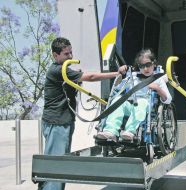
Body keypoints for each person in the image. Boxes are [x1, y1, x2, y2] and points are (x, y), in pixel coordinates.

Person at [39, 37, 127, 190]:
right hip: (56, 123)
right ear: (55, 55)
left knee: (61, 165)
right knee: (56, 167)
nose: (71, 57)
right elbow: (91, 77)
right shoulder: (58, 70)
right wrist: (116, 74)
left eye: (71, 52)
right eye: (67, 54)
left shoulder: (64, 70)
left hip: (63, 122)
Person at [97, 49, 172, 142]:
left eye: (148, 65)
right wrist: (120, 74)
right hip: (130, 103)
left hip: (146, 106)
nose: (145, 69)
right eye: (141, 66)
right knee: (117, 100)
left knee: (141, 103)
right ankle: (110, 131)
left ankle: (129, 131)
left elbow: (168, 99)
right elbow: (118, 89)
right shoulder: (133, 76)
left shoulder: (158, 78)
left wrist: (158, 88)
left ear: (154, 64)